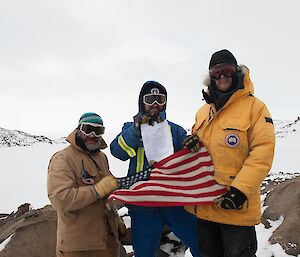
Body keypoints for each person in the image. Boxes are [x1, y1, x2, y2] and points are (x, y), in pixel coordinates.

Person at [185, 49, 275, 257]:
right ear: (211, 77)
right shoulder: (202, 111)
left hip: (236, 207)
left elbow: (262, 152)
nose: (222, 76)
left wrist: (240, 191)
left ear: (236, 72)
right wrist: (190, 143)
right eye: (216, 73)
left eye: (226, 70)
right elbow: (198, 148)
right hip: (205, 206)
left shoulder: (255, 108)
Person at [110, 81, 201, 257]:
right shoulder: (130, 129)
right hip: (143, 205)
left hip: (174, 202)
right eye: (150, 99)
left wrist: (189, 144)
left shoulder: (174, 130)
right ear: (141, 102)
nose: (155, 105)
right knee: (144, 253)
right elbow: (117, 151)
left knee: (201, 245)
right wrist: (137, 131)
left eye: (159, 99)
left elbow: (189, 154)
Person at [47, 112, 126, 257]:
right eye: (87, 129)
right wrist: (97, 190)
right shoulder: (63, 159)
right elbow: (60, 199)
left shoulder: (101, 157)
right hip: (78, 247)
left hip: (107, 242)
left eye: (98, 131)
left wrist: (116, 220)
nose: (92, 135)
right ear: (78, 130)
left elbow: (107, 197)